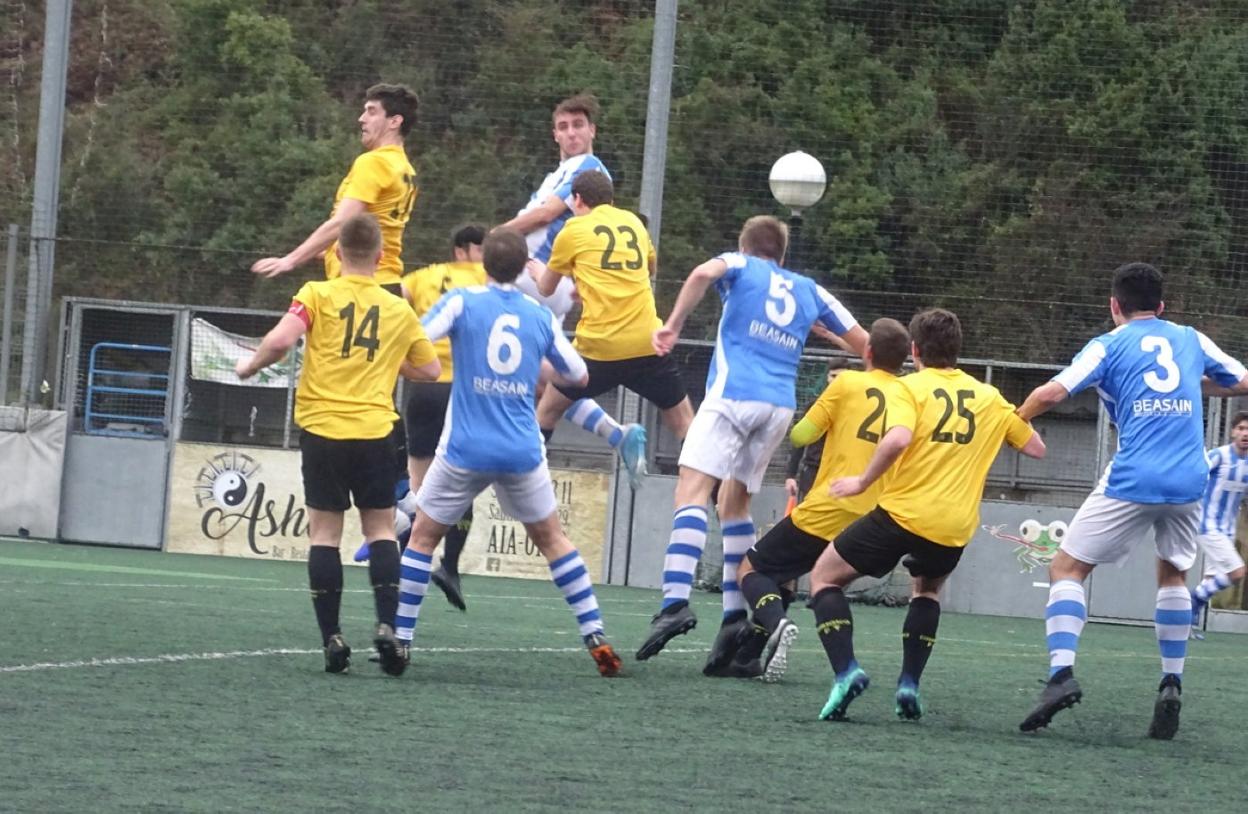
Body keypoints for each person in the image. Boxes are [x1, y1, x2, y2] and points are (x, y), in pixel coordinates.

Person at [1016, 263, 1248, 739]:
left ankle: (1060, 675)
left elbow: (1052, 392)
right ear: (1161, 306)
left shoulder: (1108, 344)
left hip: (1134, 476)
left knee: (1066, 568)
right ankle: (1171, 683)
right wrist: (1193, 385)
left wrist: (1013, 423)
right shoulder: (1191, 338)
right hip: (1190, 479)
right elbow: (1242, 381)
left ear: (1114, 306)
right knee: (1174, 574)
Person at [634, 215, 869, 668]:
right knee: (734, 505)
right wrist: (829, 335)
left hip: (733, 395)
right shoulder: (811, 290)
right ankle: (733, 619)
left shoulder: (738, 264)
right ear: (782, 253)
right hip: (777, 407)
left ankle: (674, 603)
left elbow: (701, 274)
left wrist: (673, 325)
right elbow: (868, 346)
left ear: (745, 247)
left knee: (692, 491)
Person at [394, 227, 622, 677]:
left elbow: (418, 339)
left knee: (421, 538)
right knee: (553, 540)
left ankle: (400, 641)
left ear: (484, 265)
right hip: (521, 449)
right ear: (522, 270)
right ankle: (595, 634)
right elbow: (578, 375)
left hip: (465, 448)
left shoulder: (462, 301)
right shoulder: (539, 315)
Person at [813, 308, 1045, 722]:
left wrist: (862, 481)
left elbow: (898, 438)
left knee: (824, 577)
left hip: (902, 514)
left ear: (915, 351)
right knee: (926, 591)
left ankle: (846, 672)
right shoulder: (989, 397)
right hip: (953, 527)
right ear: (957, 350)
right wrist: (1005, 420)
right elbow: (1035, 448)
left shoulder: (909, 388)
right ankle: (908, 684)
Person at [235, 214, 440, 676]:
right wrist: (389, 360)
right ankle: (387, 626)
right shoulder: (398, 309)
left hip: (322, 431)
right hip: (375, 432)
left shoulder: (315, 294)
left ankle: (332, 638)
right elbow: (429, 370)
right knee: (381, 531)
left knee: (324, 535)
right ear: (381, 257)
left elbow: (281, 341)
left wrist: (250, 366)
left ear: (337, 253)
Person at [720, 319, 910, 683]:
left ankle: (777, 624)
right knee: (798, 577)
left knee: (750, 569)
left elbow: (801, 435)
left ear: (868, 352)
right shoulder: (910, 394)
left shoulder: (846, 383)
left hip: (831, 505)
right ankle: (749, 657)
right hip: (874, 519)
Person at [501, 94, 648, 483]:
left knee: (478, 327)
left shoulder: (587, 168)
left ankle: (493, 447)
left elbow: (547, 214)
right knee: (540, 381)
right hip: (544, 282)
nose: (571, 134)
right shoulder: (562, 171)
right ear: (554, 134)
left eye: (578, 125)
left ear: (592, 131)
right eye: (563, 127)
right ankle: (617, 433)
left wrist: (496, 236)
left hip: (535, 277)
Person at [351, 224, 488, 613]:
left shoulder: (425, 276)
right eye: (481, 247)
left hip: (424, 389)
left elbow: (387, 299)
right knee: (464, 480)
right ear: (463, 249)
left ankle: (397, 547)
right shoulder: (487, 279)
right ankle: (451, 566)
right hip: (464, 390)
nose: (484, 254)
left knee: (417, 482)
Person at [532, 170, 694, 468]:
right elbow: (649, 270)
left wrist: (535, 269)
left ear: (577, 199)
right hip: (646, 344)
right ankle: (707, 492)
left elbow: (546, 288)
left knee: (547, 411)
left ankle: (528, 484)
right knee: (685, 423)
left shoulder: (573, 229)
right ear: (611, 199)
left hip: (598, 350)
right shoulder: (633, 222)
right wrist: (591, 284)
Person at [250, 83, 420, 292]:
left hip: (360, 287)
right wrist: (323, 250)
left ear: (394, 121)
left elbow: (342, 222)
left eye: (372, 111)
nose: (362, 118)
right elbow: (376, 229)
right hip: (387, 285)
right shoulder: (406, 169)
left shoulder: (374, 162)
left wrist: (291, 260)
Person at [1188, 411, 1248, 638]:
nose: (1245, 434)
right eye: (1241, 428)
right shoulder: (1219, 456)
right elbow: (1195, 474)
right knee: (1237, 572)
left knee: (1212, 579)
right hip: (1207, 526)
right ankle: (1193, 600)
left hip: (1228, 529)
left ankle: (1186, 625)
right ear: (1233, 432)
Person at [785, 357, 861, 504]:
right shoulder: (814, 406)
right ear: (827, 377)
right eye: (833, 376)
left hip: (842, 473)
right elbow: (799, 443)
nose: (836, 381)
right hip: (813, 471)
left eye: (841, 377)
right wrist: (790, 475)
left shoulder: (857, 408)